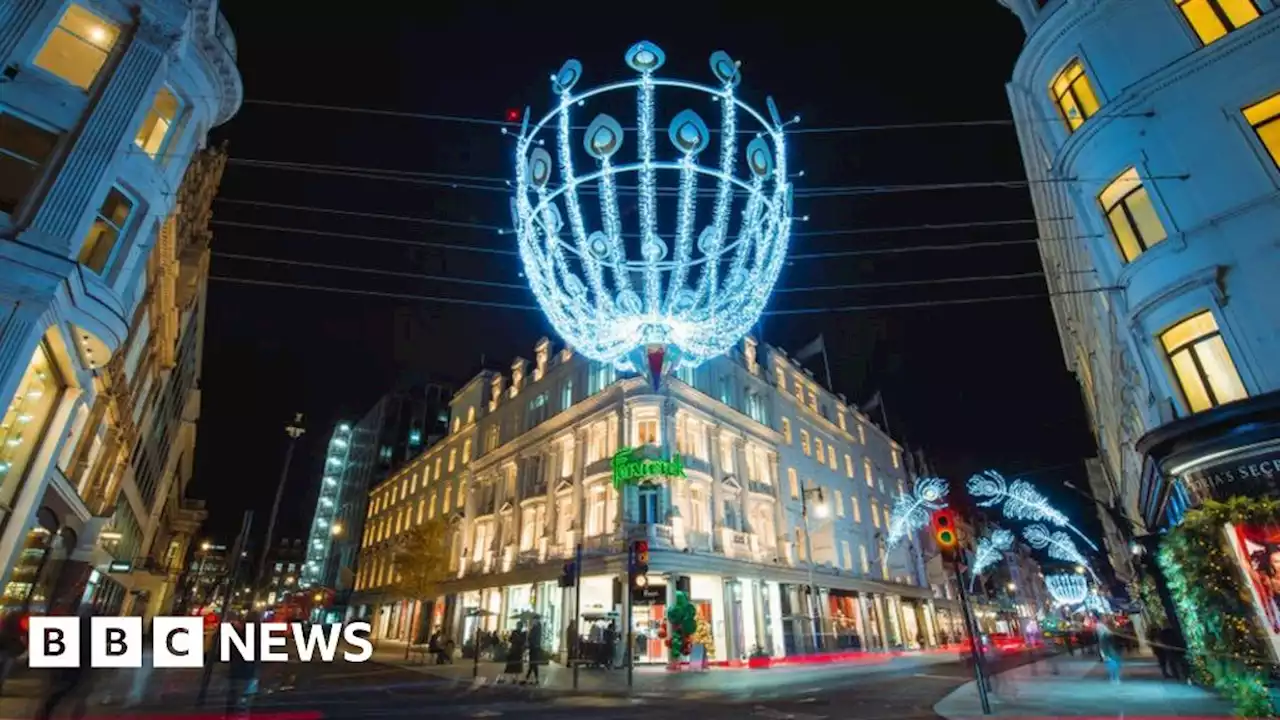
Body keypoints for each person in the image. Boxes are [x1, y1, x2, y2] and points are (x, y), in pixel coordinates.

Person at [36, 606, 94, 720]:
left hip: (63, 667)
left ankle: (45, 714)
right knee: (77, 697)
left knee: (55, 694)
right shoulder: (91, 632)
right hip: (78, 668)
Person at [226, 611, 262, 718]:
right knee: (246, 699)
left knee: (234, 696)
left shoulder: (240, 632)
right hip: (251, 670)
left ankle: (232, 715)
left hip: (237, 669)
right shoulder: (259, 632)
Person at [0, 611, 25, 696]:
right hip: (10, 652)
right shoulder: (17, 629)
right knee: (4, 671)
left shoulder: (3, 626)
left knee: (3, 669)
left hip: (3, 649)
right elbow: (22, 637)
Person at [524, 619, 543, 684]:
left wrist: (528, 636)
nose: (533, 622)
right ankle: (533, 679)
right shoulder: (537, 628)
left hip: (534, 648)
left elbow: (531, 637)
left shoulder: (536, 628)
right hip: (534, 648)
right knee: (533, 664)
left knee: (533, 664)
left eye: (534, 620)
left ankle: (528, 678)